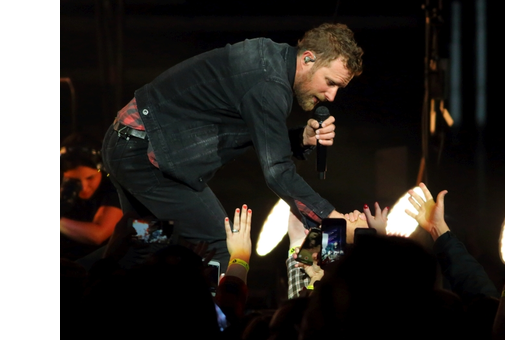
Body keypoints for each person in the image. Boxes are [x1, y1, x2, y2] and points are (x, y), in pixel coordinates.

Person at [101, 23, 368, 267]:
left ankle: (79, 280)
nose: (331, 96)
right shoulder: (269, 85)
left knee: (146, 240)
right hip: (145, 153)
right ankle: (216, 320)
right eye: (330, 82)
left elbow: (255, 133)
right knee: (221, 245)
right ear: (308, 58)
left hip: (128, 144)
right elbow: (277, 172)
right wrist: (334, 220)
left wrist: (301, 139)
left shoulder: (269, 59)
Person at [60, 133, 123, 263]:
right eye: (73, 180)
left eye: (90, 178)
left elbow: (97, 235)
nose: (84, 187)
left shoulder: (113, 187)